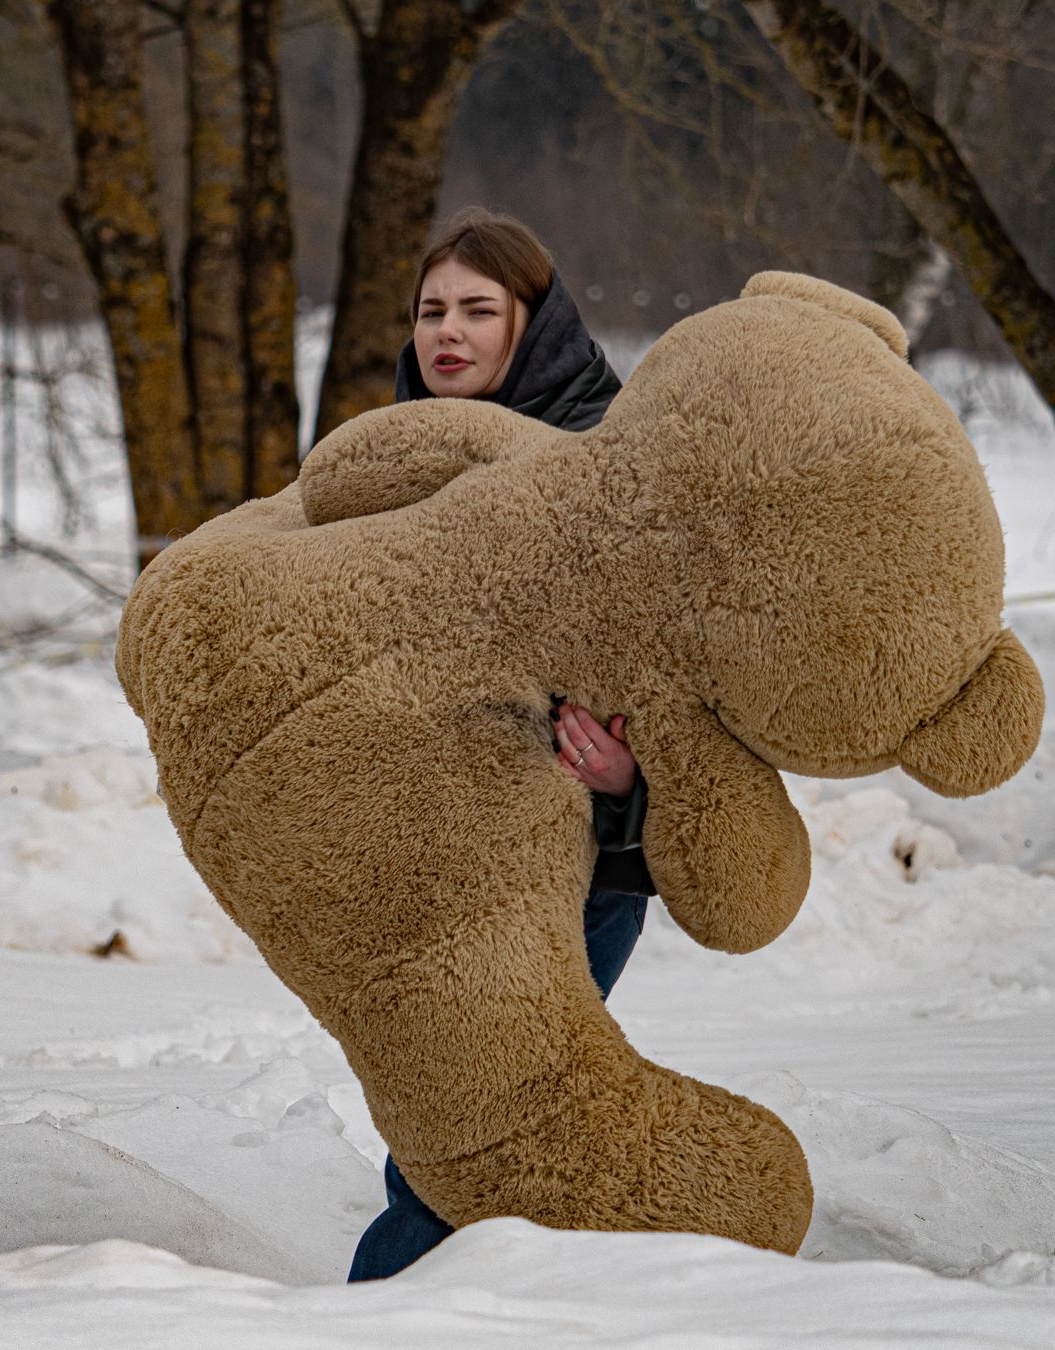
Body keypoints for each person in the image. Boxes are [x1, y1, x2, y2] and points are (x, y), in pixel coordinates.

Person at [347, 208, 656, 1282]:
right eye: (434, 310)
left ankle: (386, 1310)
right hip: (438, 853)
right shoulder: (386, 459)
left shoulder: (610, 459)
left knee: (472, 1112)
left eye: (480, 310)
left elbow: (683, 677)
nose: (449, 332)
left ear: (537, 324)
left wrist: (626, 778)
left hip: (584, 860)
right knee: (477, 1113)